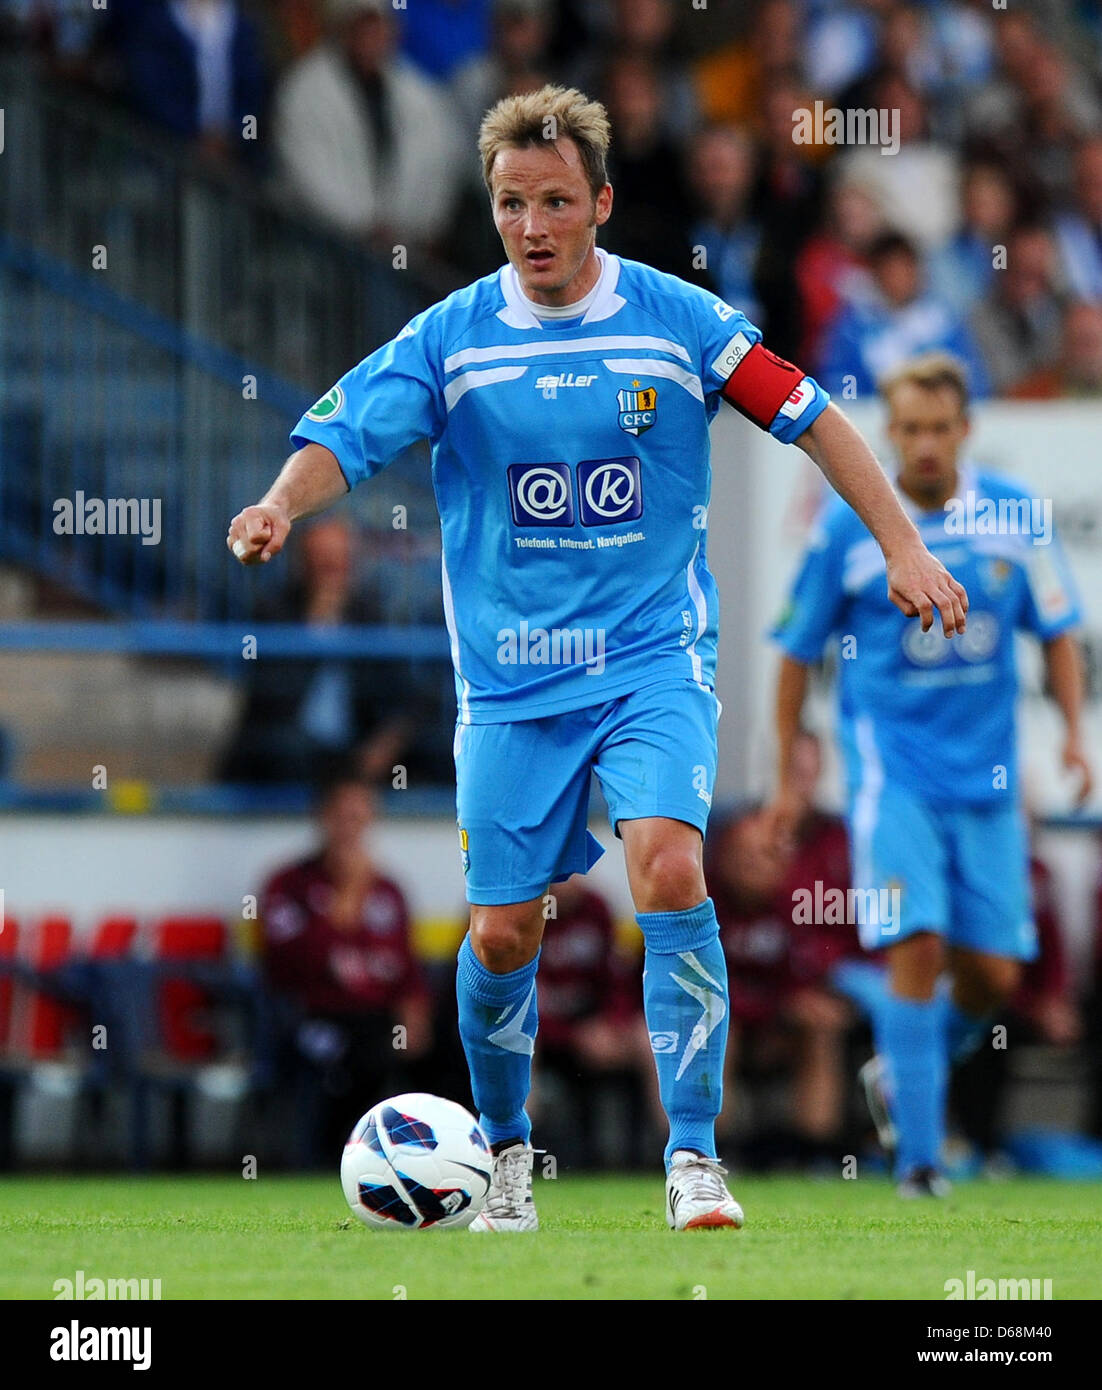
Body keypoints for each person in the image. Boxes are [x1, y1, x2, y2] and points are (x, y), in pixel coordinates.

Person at [227, 84, 968, 1232]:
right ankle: (508, 1157)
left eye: (555, 201)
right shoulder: (453, 335)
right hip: (512, 684)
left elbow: (812, 411)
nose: (531, 226)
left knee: (669, 865)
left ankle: (692, 1157)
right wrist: (280, 502)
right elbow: (340, 431)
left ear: (601, 204)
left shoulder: (681, 322)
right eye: (512, 203)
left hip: (650, 661)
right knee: (500, 933)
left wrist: (903, 543)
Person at [769, 351, 1091, 1196]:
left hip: (986, 784)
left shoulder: (1015, 516)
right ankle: (918, 1160)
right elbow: (795, 653)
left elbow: (1057, 630)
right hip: (891, 778)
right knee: (913, 944)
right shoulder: (847, 527)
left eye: (938, 428)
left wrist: (1070, 737)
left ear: (964, 430)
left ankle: (905, 1071)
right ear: (889, 432)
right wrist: (783, 776)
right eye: (907, 428)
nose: (922, 444)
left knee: (994, 976)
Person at [259, 775, 431, 1165]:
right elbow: (289, 965)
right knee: (363, 1057)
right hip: (313, 1017)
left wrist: (415, 1011)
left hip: (380, 1017)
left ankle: (439, 1165)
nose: (351, 829)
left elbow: (406, 967)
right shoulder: (287, 885)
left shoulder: (388, 891)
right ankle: (340, 1161)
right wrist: (348, 898)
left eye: (360, 818)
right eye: (343, 817)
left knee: (445, 1052)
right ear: (322, 818)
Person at [273, 0, 463, 249]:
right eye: (363, 26)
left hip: (402, 248)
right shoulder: (304, 90)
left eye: (379, 26)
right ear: (343, 30)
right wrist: (363, 224)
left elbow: (438, 162)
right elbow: (307, 172)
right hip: (325, 247)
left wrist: (412, 223)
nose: (372, 36)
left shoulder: (415, 92)